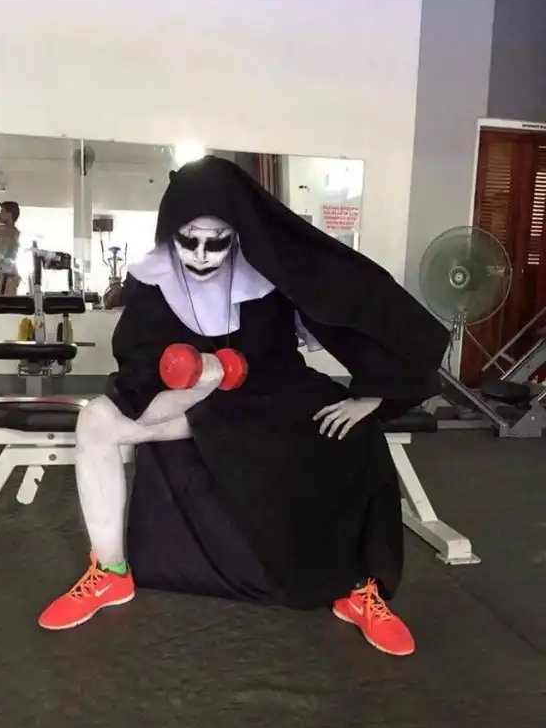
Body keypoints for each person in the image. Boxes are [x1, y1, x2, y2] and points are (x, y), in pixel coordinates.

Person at [38, 156, 449, 657]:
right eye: (189, 240)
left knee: (356, 434)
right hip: (190, 401)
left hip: (270, 396)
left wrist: (374, 392)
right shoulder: (153, 283)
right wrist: (196, 382)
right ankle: (109, 571)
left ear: (237, 235)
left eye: (217, 241)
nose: (202, 255)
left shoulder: (270, 275)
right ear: (171, 232)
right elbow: (140, 371)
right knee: (95, 421)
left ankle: (363, 589)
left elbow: (352, 309)